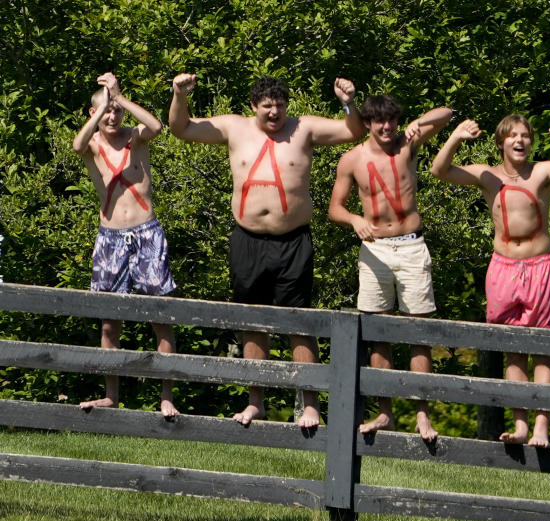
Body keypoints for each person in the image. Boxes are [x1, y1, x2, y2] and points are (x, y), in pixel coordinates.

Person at [169, 73, 363, 427]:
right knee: (252, 323)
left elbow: (353, 132)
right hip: (248, 240)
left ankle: (310, 404)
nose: (275, 112)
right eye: (267, 106)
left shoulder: (303, 128)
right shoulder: (233, 128)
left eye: (280, 105)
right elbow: (181, 129)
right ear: (253, 107)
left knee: (299, 323)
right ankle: (255, 400)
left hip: (293, 241)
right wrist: (179, 96)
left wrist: (347, 102)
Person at [430, 113, 550, 448]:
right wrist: (457, 138)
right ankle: (520, 425)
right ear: (501, 142)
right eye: (513, 136)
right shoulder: (488, 176)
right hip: (502, 267)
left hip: (540, 266)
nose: (520, 141)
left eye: (525, 136)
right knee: (514, 351)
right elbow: (439, 171)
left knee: (543, 350)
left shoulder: (543, 171)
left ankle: (541, 427)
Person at [329, 95, 453, 442]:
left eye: (391, 121)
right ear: (367, 123)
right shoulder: (351, 159)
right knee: (378, 334)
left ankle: (422, 415)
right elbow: (334, 208)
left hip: (412, 245)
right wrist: (354, 219)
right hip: (375, 250)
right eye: (378, 121)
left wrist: (418, 123)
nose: (386, 128)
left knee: (419, 334)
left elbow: (446, 113)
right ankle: (385, 412)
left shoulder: (407, 145)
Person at [72, 72, 178, 419]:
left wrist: (120, 96)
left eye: (116, 111)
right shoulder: (92, 146)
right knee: (109, 323)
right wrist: (101, 103)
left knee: (160, 319)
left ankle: (166, 396)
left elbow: (157, 126)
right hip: (110, 238)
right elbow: (75, 145)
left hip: (147, 233)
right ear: (94, 114)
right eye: (106, 111)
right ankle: (111, 395)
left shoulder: (136, 138)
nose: (113, 117)